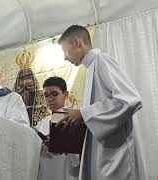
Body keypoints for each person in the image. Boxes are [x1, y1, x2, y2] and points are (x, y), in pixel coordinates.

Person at [57, 25, 143, 180]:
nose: (64, 57)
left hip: (116, 155)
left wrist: (83, 113)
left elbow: (129, 99)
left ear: (77, 43)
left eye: (65, 51)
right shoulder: (92, 67)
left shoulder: (101, 60)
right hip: (104, 154)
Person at [36, 76, 79, 180]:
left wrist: (59, 142)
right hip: (45, 169)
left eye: (55, 94)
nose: (50, 99)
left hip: (66, 170)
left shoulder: (74, 117)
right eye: (46, 95)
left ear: (66, 95)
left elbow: (80, 154)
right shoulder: (42, 122)